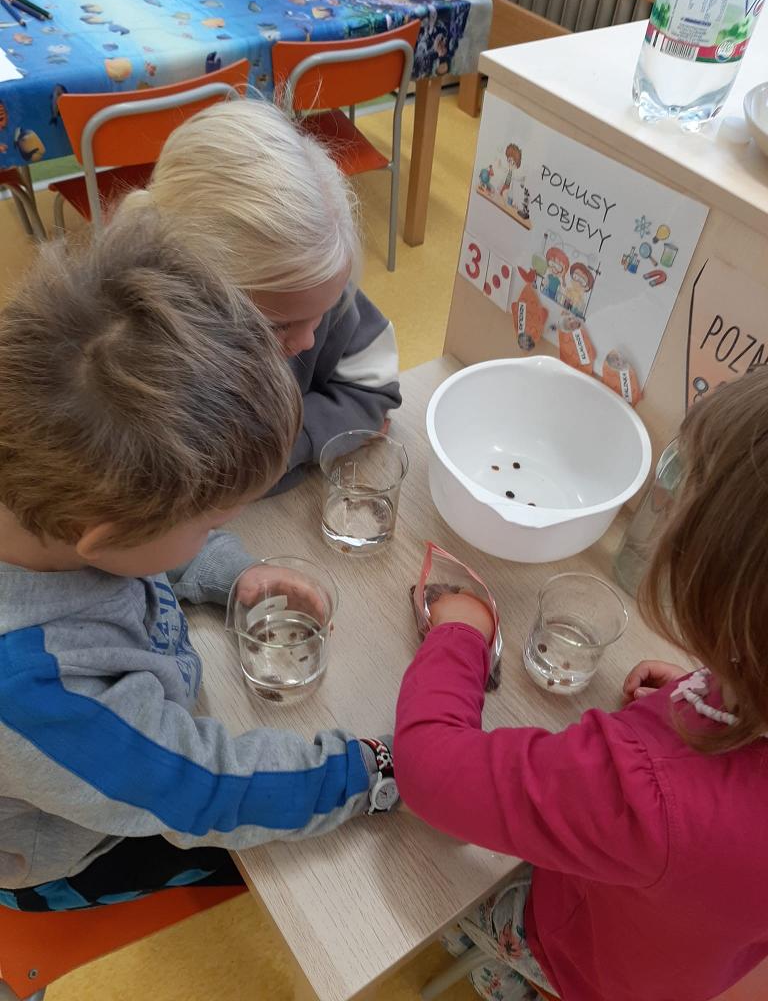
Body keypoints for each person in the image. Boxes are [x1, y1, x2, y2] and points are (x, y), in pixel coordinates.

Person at [0, 214, 398, 912]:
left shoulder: (46, 492)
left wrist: (229, 571)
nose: (222, 530)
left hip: (130, 739)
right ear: (103, 538)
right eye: (213, 523)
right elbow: (206, 792)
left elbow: (146, 548)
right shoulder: (36, 694)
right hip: (72, 843)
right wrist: (372, 770)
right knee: (282, 882)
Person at [394, 367, 768, 1001]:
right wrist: (718, 694)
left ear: (717, 576)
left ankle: (503, 972)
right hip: (688, 961)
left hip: (581, 957)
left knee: (434, 886)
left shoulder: (647, 793)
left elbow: (427, 769)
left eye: (687, 490)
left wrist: (460, 632)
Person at [117, 97, 401, 494]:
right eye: (278, 325)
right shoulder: (132, 347)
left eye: (321, 312)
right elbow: (182, 479)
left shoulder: (316, 288)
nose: (307, 340)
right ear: (188, 297)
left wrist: (293, 444)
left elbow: (375, 389)